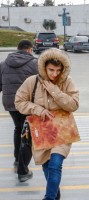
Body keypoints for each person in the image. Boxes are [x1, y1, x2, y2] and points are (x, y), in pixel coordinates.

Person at [15, 48, 79, 200]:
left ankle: (48, 197)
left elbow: (74, 105)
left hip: (63, 131)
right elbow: (19, 102)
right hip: (41, 132)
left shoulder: (67, 82)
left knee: (55, 164)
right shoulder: (32, 82)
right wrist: (37, 109)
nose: (54, 74)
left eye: (58, 70)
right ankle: (55, 195)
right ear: (44, 67)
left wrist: (54, 90)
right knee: (47, 168)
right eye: (51, 70)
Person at [0, 39, 38, 181]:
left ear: (17, 48)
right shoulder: (35, 64)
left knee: (18, 128)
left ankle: (17, 159)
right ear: (29, 49)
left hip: (10, 103)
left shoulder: (3, 64)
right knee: (27, 133)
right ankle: (23, 170)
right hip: (27, 104)